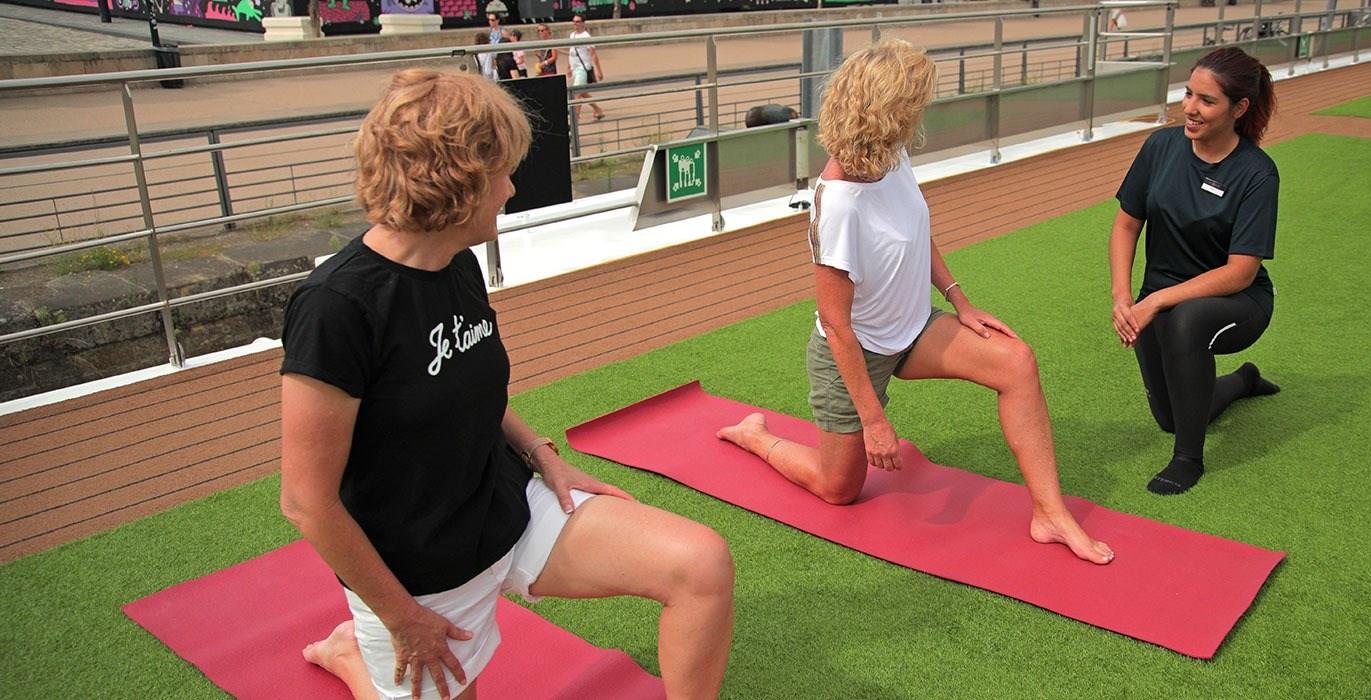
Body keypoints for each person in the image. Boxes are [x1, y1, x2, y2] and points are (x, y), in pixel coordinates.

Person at [282, 70, 734, 700]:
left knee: (701, 565)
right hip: (419, 576)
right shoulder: (337, 307)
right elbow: (307, 502)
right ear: (457, 182)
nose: (511, 189)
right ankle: (352, 655)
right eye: (501, 174)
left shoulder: (455, 264)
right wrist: (401, 617)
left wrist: (544, 456)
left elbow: (467, 388)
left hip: (507, 508)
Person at [718, 40, 1114, 566]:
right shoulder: (838, 204)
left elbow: (916, 232)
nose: (923, 112)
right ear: (892, 111)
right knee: (839, 488)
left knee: (1017, 362)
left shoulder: (893, 156)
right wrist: (874, 420)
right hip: (854, 354)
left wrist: (960, 301)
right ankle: (755, 436)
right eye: (916, 103)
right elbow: (836, 325)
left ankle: (1050, 513)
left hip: (915, 330)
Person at [1109, 47, 1280, 495]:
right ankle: (1243, 380)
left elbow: (1241, 272)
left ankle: (1188, 459)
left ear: (1239, 108)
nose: (1190, 108)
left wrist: (1155, 301)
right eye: (1188, 94)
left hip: (1236, 301)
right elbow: (1126, 224)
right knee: (1173, 417)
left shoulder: (1257, 173)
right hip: (1159, 298)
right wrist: (1123, 297)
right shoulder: (1161, 147)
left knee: (1186, 321)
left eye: (1207, 100)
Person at [568, 14, 605, 121]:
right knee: (582, 92)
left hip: (583, 68)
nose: (575, 23)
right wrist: (568, 67)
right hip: (575, 68)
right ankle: (598, 109)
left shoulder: (586, 36)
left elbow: (593, 54)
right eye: (574, 21)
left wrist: (599, 71)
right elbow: (571, 52)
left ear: (583, 23)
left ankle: (575, 115)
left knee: (577, 92)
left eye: (577, 21)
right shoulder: (572, 35)